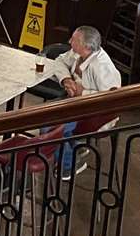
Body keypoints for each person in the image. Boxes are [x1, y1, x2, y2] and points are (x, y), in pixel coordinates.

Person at [46, 25, 122, 177]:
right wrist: (66, 80)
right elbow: (59, 61)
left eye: (74, 39)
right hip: (77, 105)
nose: (69, 41)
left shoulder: (102, 67)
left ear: (85, 45)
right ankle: (74, 146)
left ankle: (70, 165)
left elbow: (110, 99)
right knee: (47, 114)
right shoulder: (77, 53)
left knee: (49, 128)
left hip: (96, 114)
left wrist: (82, 92)